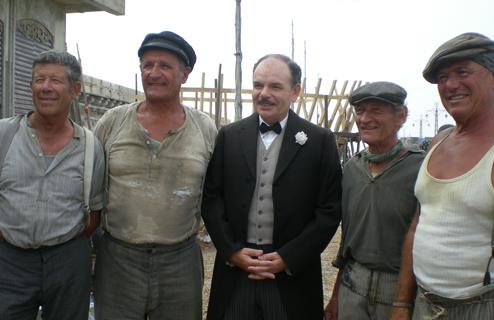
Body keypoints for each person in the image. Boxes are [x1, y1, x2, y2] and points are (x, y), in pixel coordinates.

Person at [201, 54, 342, 320]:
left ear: (295, 91)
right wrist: (232, 251)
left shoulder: (319, 141)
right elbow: (212, 198)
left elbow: (329, 210)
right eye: (257, 85)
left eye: (275, 86)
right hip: (236, 272)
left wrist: (289, 258)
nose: (264, 94)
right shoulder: (229, 136)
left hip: (292, 278)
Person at [93, 30, 217, 320]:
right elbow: (90, 189)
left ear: (185, 74)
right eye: (147, 65)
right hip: (118, 259)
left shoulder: (204, 129)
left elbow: (218, 193)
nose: (154, 73)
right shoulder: (113, 122)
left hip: (180, 262)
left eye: (165, 66)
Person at [392, 32, 494, 320]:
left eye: (463, 71)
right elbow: (417, 224)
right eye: (442, 77)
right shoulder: (439, 142)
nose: (450, 85)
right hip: (424, 304)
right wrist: (402, 303)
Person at [0, 50, 105, 319]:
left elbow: (93, 214)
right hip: (9, 259)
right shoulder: (4, 135)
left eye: (55, 80)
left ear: (75, 89)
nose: (45, 87)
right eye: (39, 79)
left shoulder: (91, 147)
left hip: (68, 260)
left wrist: (63, 245)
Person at [324, 82, 424, 320]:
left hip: (399, 288)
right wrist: (336, 296)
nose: (365, 118)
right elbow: (348, 239)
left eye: (376, 110)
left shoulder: (420, 168)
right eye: (360, 111)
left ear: (401, 116)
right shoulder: (351, 169)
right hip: (352, 286)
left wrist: (402, 302)